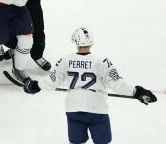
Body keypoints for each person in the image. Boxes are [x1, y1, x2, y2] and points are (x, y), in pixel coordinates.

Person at [22, 27, 157, 144]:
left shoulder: (66, 60)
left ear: (75, 41)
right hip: (97, 110)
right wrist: (137, 91)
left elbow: (51, 81)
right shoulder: (102, 61)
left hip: (74, 109)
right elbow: (117, 83)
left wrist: (36, 85)